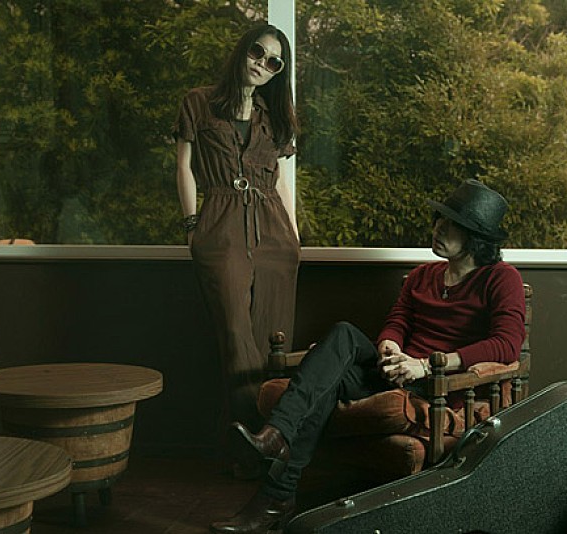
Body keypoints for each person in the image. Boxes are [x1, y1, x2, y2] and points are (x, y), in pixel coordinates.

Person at [210, 179, 527, 533]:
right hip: (392, 372)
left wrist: (424, 366)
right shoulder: (424, 275)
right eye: (439, 219)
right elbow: (398, 321)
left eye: (451, 224)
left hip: (433, 385)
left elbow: (507, 344)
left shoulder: (502, 279)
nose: (438, 228)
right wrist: (389, 345)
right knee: (343, 335)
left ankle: (275, 496)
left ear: (476, 238)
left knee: (325, 383)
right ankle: (276, 437)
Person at [172, 25, 300, 439]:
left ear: (278, 72)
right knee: (234, 335)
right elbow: (184, 168)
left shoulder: (275, 117)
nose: (262, 64)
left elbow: (282, 181)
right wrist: (192, 225)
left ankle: (251, 444)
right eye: (257, 52)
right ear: (243, 50)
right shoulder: (198, 102)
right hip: (220, 220)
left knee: (272, 336)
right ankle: (260, 435)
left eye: (273, 62)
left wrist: (294, 235)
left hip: (273, 228)